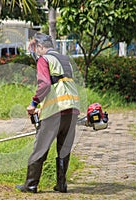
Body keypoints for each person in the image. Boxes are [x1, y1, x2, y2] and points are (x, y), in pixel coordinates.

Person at [16, 33, 80, 193]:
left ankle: (30, 185)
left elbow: (44, 85)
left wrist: (33, 104)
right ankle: (61, 185)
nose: (36, 53)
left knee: (40, 148)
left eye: (36, 49)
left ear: (40, 47)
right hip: (72, 110)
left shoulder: (44, 59)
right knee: (64, 149)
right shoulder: (66, 60)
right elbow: (60, 85)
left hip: (55, 112)